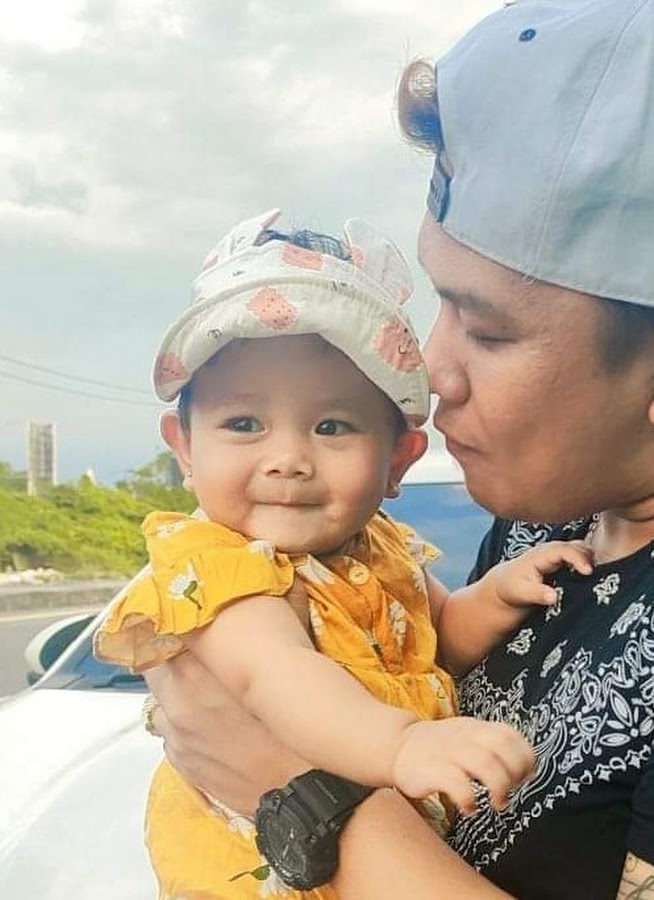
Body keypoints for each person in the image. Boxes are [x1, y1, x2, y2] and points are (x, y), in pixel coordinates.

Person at [144, 1, 654, 897]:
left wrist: (295, 791)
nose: (434, 370)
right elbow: (422, 654)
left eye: (487, 329)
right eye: (441, 300)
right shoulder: (570, 496)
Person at [94, 209, 596, 898]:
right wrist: (402, 743)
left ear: (397, 460)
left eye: (331, 426)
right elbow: (275, 675)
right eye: (243, 422)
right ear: (184, 449)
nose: (288, 458)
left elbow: (438, 635)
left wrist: (498, 594)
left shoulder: (379, 547)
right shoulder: (214, 564)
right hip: (266, 874)